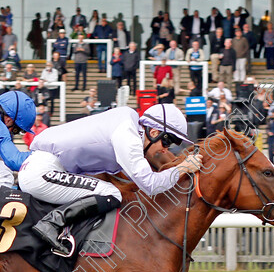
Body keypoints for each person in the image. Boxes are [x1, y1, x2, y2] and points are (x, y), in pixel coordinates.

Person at [20, 104, 202, 255]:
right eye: (167, 142)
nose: (165, 149)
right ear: (154, 132)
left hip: (45, 167)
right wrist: (183, 168)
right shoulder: (128, 136)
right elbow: (150, 185)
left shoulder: (128, 120)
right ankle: (52, 223)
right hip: (43, 171)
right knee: (111, 193)